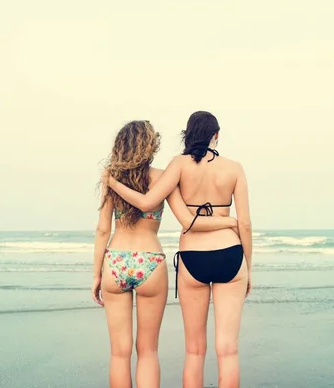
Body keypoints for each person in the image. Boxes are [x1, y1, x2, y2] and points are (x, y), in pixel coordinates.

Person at [106, 111, 252, 388]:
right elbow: (245, 223)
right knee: (228, 349)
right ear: (216, 135)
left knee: (194, 351)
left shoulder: (178, 165)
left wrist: (111, 181)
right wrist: (247, 261)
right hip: (231, 254)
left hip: (192, 258)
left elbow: (169, 212)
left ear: (187, 135)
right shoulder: (235, 168)